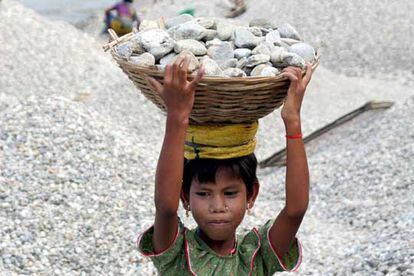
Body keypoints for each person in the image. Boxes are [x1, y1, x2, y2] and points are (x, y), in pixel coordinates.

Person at [138, 55, 314, 275]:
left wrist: (292, 119)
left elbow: (295, 210)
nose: (217, 206)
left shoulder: (257, 255)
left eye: (230, 193)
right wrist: (177, 116)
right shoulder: (177, 253)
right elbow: (165, 208)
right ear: (184, 197)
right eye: (203, 193)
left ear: (251, 195)